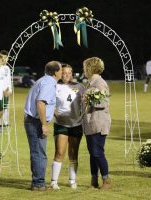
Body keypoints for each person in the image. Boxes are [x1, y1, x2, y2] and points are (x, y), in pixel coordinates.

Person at [24, 61, 62, 191]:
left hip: (34, 120)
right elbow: (41, 103)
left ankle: (38, 181)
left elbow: (48, 103)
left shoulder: (44, 80)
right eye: (61, 70)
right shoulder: (48, 83)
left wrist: (57, 115)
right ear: (55, 72)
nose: (61, 72)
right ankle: (38, 184)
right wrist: (44, 125)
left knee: (37, 152)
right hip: (36, 121)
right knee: (39, 153)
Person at [50, 64, 84, 190]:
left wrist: (83, 115)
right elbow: (49, 103)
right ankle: (54, 181)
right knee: (60, 152)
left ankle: (72, 180)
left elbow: (86, 103)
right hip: (61, 125)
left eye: (69, 73)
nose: (67, 75)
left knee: (74, 154)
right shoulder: (55, 86)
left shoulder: (79, 87)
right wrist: (55, 113)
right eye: (64, 73)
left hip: (76, 125)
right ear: (59, 73)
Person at [82, 57, 111, 189]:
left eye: (85, 67)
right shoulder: (90, 83)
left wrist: (90, 100)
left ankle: (106, 180)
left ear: (90, 68)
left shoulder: (100, 83)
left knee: (97, 152)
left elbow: (103, 102)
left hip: (98, 121)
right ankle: (94, 180)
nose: (83, 70)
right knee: (92, 153)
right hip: (90, 122)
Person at [0, 50, 12, 127]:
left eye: (6, 57)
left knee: (6, 107)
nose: (4, 59)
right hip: (0, 91)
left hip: (7, 91)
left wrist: (10, 89)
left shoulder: (8, 68)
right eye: (3, 57)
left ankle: (5, 122)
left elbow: (9, 80)